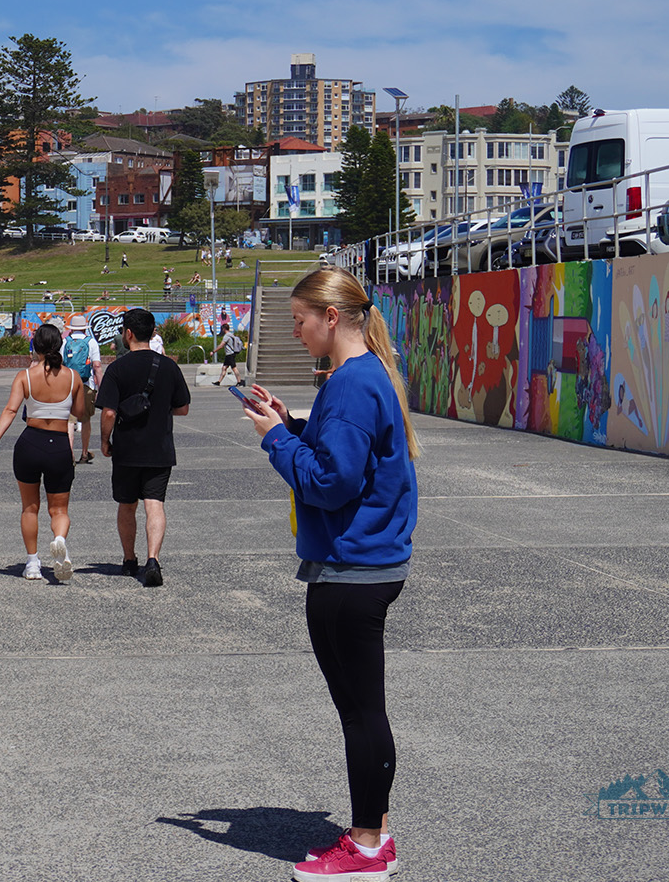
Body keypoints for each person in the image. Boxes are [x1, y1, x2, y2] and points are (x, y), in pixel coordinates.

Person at [239, 267, 420, 881]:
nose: (295, 332)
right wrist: (291, 425)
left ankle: (368, 846)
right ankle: (375, 832)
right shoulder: (365, 376)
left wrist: (275, 442)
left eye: (300, 320)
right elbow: (343, 460)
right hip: (367, 562)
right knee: (364, 709)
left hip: (351, 569)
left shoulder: (349, 384)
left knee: (361, 713)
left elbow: (329, 482)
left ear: (332, 317)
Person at [95, 309, 190, 587]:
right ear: (153, 331)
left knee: (127, 505)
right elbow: (183, 407)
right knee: (155, 504)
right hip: (160, 447)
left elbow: (109, 412)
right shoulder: (169, 366)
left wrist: (104, 441)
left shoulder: (117, 369)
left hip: (127, 449)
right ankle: (153, 559)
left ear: (128, 334)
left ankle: (128, 560)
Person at [0, 323, 84, 581]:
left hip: (30, 444)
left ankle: (32, 564)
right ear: (59, 346)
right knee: (59, 511)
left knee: (30, 508)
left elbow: (10, 411)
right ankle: (59, 539)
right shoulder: (73, 377)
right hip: (59, 445)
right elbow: (81, 412)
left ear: (36, 346)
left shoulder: (25, 377)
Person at [64, 314, 104, 464]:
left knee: (70, 421)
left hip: (68, 385)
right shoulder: (91, 342)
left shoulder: (65, 342)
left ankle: (69, 454)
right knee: (85, 420)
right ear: (84, 328)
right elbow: (97, 366)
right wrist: (101, 387)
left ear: (72, 329)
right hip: (87, 385)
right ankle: (85, 453)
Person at [218, 322, 243, 386]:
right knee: (224, 368)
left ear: (224, 329)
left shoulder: (226, 336)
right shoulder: (231, 335)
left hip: (230, 354)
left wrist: (214, 351)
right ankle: (218, 382)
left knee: (234, 368)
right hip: (230, 354)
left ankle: (239, 382)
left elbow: (221, 345)